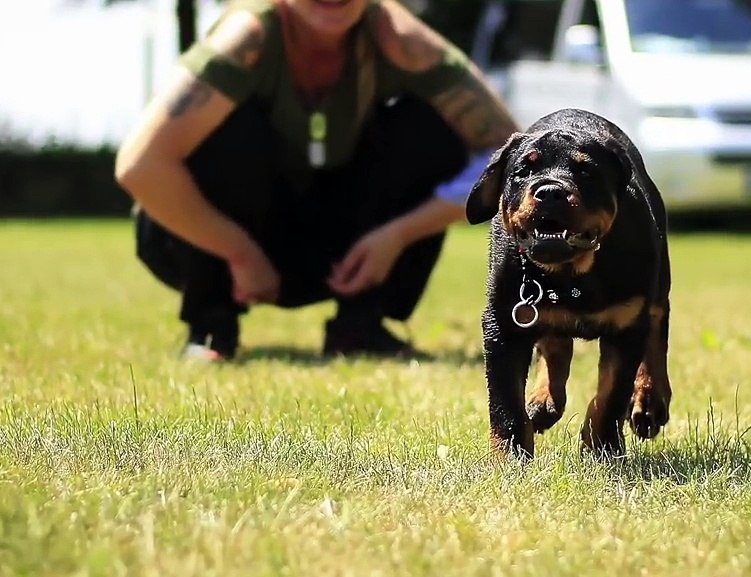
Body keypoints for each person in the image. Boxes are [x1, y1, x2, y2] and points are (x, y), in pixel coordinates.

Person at [116, 0, 519, 361]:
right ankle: (211, 327)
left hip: (345, 256)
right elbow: (140, 165)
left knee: (428, 129)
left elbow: (512, 156)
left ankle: (360, 325)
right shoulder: (248, 36)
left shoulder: (397, 37)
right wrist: (239, 252)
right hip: (222, 250)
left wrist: (398, 234)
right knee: (227, 131)